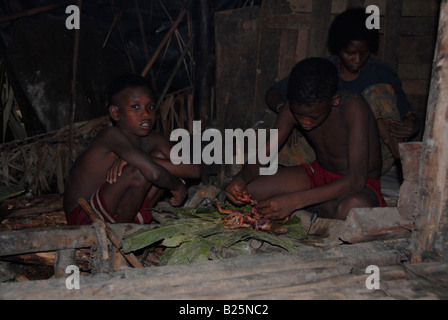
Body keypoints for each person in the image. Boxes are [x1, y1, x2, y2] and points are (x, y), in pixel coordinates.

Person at [226, 58, 386, 221]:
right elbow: (264, 157)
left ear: (334, 100)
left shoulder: (353, 107)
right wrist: (240, 179)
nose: (305, 122)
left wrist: (295, 200)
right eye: (298, 115)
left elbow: (356, 180)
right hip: (319, 174)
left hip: (360, 185)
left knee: (351, 207)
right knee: (251, 190)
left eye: (313, 117)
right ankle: (321, 207)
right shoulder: (290, 109)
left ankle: (318, 207)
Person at [266, 7, 420, 174]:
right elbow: (273, 93)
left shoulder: (381, 73)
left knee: (377, 93)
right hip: (329, 156)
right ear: (338, 48)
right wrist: (289, 116)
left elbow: (407, 115)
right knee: (269, 147)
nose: (357, 60)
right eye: (350, 53)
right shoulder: (322, 71)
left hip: (373, 157)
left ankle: (407, 165)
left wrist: (412, 125)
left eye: (364, 52)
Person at [63, 74, 201, 225]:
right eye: (135, 107)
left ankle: (128, 228)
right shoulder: (110, 136)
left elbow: (194, 169)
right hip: (86, 217)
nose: (146, 114)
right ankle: (123, 234)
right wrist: (177, 185)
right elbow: (153, 173)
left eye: (150, 107)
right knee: (140, 171)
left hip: (122, 213)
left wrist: (145, 160)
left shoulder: (153, 139)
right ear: (115, 113)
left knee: (154, 160)